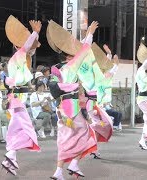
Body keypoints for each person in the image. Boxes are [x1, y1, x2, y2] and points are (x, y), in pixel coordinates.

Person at [47, 20, 98, 179]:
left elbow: (80, 50)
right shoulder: (71, 66)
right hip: (72, 107)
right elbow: (83, 50)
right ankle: (74, 163)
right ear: (70, 56)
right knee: (86, 134)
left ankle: (59, 171)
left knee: (64, 138)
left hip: (61, 107)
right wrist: (89, 34)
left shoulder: (57, 69)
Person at [0, 16, 42, 176]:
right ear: (17, 45)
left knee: (18, 128)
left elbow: (29, 48)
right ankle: (9, 156)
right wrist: (34, 33)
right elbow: (26, 47)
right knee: (23, 127)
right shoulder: (17, 56)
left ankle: (10, 158)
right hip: (16, 99)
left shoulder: (22, 60)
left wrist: (35, 35)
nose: (32, 49)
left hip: (18, 99)